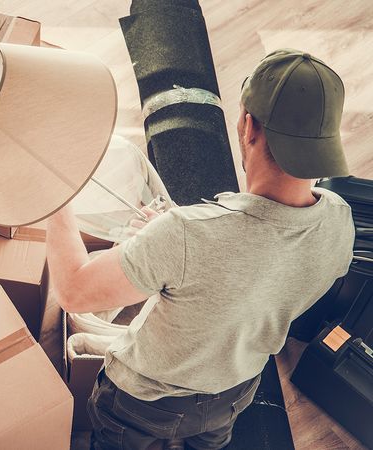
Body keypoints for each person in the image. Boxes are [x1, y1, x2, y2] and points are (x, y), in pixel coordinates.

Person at [46, 49, 355, 450]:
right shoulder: (340, 221)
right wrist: (178, 241)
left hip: (143, 404)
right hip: (234, 392)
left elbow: (74, 291)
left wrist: (53, 195)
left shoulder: (185, 236)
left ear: (247, 127)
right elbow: (257, 269)